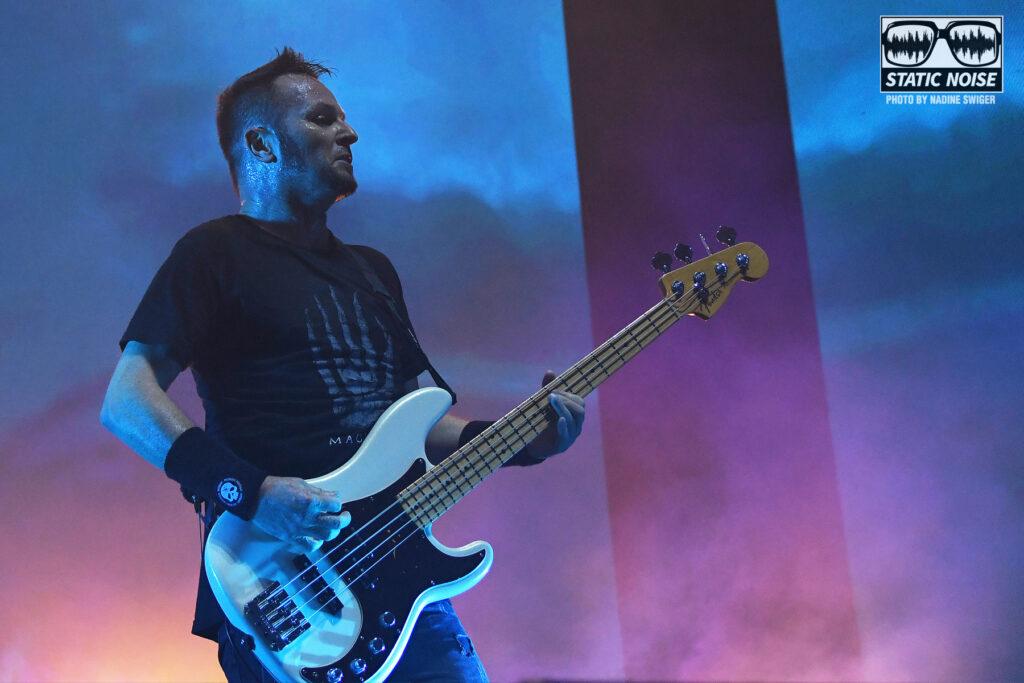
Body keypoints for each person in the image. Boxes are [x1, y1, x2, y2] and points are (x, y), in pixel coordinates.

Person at [99, 47, 585, 683]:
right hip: (284, 589)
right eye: (322, 119)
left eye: (344, 119)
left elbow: (413, 423)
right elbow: (127, 399)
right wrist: (250, 492)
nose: (348, 133)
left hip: (402, 578)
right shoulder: (213, 254)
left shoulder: (372, 271)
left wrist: (524, 440)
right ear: (261, 144)